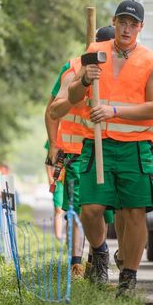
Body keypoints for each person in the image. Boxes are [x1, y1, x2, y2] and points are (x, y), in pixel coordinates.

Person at [68, 0, 153, 297]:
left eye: (132, 24)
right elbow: (73, 95)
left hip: (135, 148)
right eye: (122, 22)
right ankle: (99, 253)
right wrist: (85, 78)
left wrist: (113, 110)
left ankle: (128, 278)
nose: (126, 28)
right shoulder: (95, 54)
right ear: (114, 21)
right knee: (91, 209)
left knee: (134, 212)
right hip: (97, 144)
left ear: (140, 28)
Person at [48, 25, 116, 279]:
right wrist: (53, 145)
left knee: (103, 210)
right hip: (77, 150)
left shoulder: (120, 72)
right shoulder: (74, 68)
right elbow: (52, 109)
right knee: (78, 208)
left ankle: (93, 261)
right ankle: (76, 263)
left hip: (107, 149)